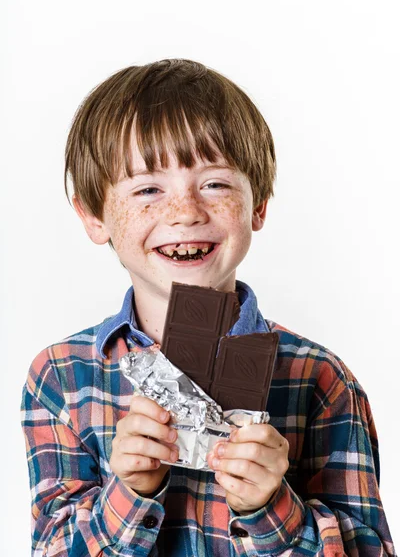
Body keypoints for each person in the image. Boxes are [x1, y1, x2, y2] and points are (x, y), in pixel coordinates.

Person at [21, 59, 396, 556]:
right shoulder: (62, 377)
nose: (186, 212)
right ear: (93, 217)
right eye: (148, 189)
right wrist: (128, 494)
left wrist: (271, 509)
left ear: (258, 204)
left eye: (215, 184)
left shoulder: (319, 379)